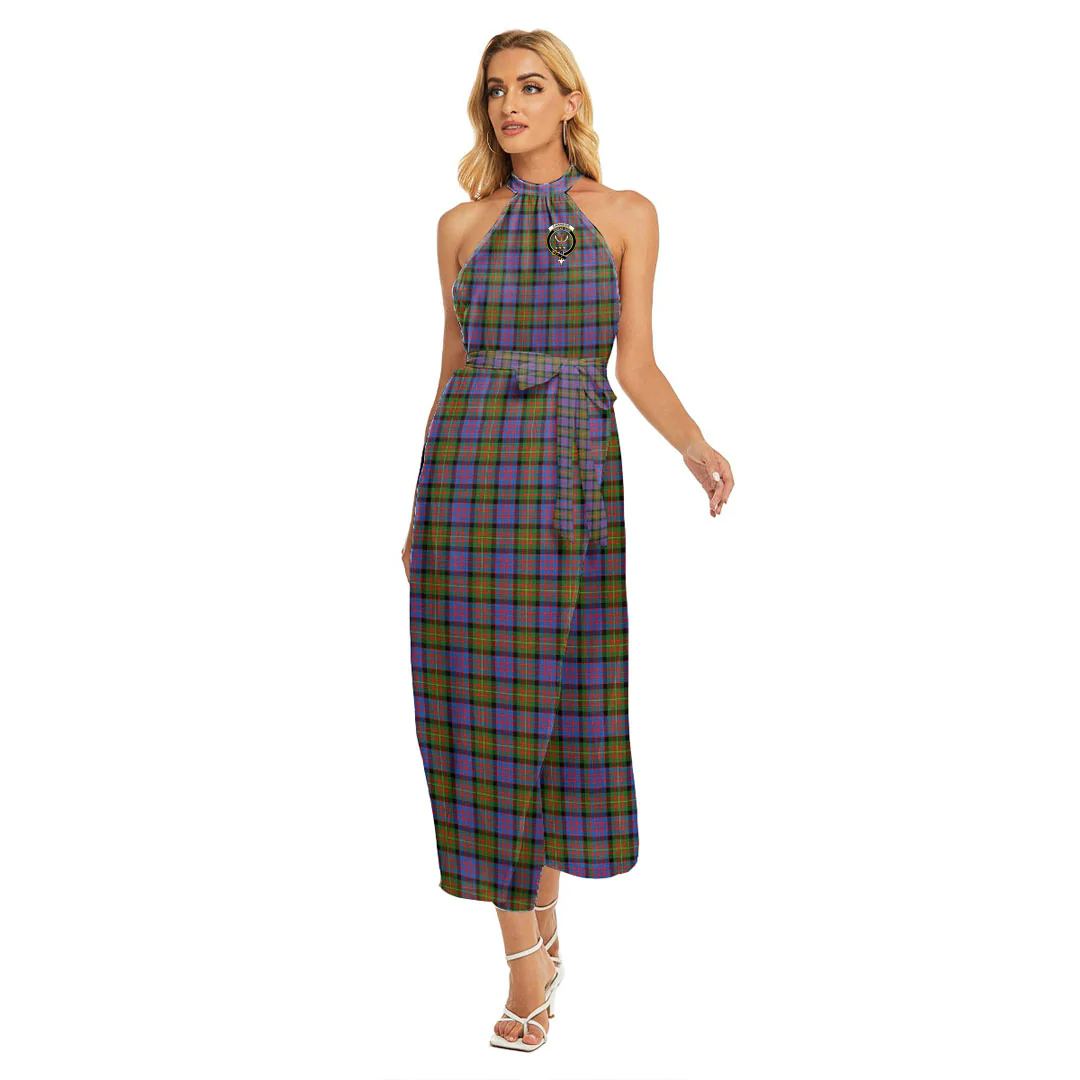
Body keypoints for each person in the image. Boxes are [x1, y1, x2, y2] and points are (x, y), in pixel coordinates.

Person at [402, 29, 734, 1052]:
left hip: (568, 485)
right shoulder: (461, 227)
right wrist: (417, 513)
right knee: (485, 721)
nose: (510, 105)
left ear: (568, 101)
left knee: (555, 712)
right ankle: (526, 963)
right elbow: (450, 373)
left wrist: (695, 446)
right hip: (467, 490)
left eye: (531, 87)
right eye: (496, 90)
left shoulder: (626, 215)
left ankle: (540, 943)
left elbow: (637, 364)